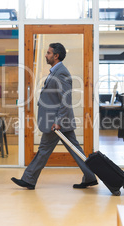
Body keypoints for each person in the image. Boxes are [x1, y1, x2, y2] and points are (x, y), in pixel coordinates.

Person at [11, 43, 97, 190]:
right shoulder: (55, 71)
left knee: (44, 149)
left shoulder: (61, 73)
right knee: (76, 150)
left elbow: (66, 99)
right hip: (58, 121)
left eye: (49, 53)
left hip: (56, 122)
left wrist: (58, 121)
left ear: (56, 56)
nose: (46, 55)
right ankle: (90, 177)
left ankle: (29, 179)